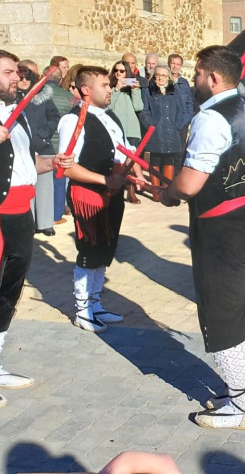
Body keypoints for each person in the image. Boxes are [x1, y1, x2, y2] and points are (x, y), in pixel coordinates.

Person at [160, 45, 245, 430]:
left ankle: (241, 405)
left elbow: (191, 183)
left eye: (196, 75)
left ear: (212, 77)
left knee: (222, 316)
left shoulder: (210, 118)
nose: (193, 82)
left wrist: (169, 192)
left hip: (227, 231)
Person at [0, 50, 73, 408]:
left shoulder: (20, 116)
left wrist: (53, 162)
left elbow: (29, 164)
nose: (18, 78)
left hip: (19, 212)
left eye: (17, 72)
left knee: (9, 288)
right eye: (10, 72)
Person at [58, 66, 144, 333]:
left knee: (106, 248)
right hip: (89, 194)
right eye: (105, 85)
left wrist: (136, 169)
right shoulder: (73, 121)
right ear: (86, 89)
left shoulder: (111, 116)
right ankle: (82, 309)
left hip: (113, 191)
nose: (110, 89)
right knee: (90, 249)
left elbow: (125, 150)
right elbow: (67, 167)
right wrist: (104, 180)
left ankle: (95, 304)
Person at [18, 63, 60, 236]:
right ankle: (31, 222)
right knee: (28, 185)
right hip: (22, 147)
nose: (23, 80)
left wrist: (44, 133)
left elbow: (54, 117)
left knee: (44, 187)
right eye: (20, 77)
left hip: (42, 145)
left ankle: (45, 223)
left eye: (27, 77)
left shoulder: (42, 95)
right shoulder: (12, 98)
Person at [140, 65, 184, 201]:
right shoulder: (148, 90)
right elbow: (144, 110)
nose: (160, 78)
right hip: (156, 131)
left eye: (164, 75)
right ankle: (156, 192)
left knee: (169, 159)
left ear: (168, 77)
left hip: (171, 130)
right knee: (155, 159)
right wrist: (151, 125)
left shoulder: (175, 91)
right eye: (158, 75)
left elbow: (181, 110)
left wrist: (178, 125)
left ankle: (166, 190)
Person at [43, 64, 77, 226]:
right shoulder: (68, 97)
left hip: (41, 145)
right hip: (61, 146)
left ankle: (41, 216)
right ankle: (56, 215)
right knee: (58, 181)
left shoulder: (36, 95)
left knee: (41, 183)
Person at [108, 61, 144, 204]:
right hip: (116, 130)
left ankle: (131, 191)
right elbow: (109, 106)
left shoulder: (131, 87)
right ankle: (115, 190)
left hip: (131, 130)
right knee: (117, 162)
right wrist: (116, 89)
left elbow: (138, 107)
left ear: (127, 73)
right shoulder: (110, 88)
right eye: (116, 70)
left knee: (130, 164)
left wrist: (135, 90)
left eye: (122, 71)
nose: (118, 74)